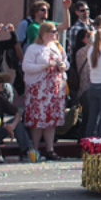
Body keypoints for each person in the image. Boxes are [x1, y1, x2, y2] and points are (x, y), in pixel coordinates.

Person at [21, 21, 68, 160]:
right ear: (44, 33)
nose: (56, 34)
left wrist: (63, 66)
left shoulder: (56, 46)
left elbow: (66, 62)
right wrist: (44, 66)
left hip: (54, 89)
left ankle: (50, 149)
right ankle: (35, 149)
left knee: (51, 121)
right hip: (39, 90)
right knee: (38, 120)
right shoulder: (33, 48)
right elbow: (26, 66)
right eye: (53, 31)